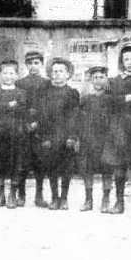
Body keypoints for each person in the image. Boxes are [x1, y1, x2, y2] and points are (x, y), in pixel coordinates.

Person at [102, 41, 131, 215]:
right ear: (122, 61)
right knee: (119, 166)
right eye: (126, 59)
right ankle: (119, 201)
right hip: (119, 127)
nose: (129, 62)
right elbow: (106, 101)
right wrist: (122, 99)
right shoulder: (114, 81)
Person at [39, 57, 80, 210]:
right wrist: (44, 137)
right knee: (52, 168)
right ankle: (54, 198)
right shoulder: (45, 93)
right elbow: (42, 116)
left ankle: (64, 198)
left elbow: (74, 116)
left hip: (65, 136)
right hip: (50, 136)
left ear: (68, 74)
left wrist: (72, 137)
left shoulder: (72, 93)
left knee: (66, 168)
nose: (56, 74)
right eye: (54, 71)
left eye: (60, 71)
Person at [0, 59, 26, 209]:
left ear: (17, 75)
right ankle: (0, 195)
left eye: (11, 73)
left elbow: (22, 109)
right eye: (5, 73)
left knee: (16, 164)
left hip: (16, 133)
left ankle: (12, 195)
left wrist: (3, 108)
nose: (8, 76)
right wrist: (9, 105)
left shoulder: (21, 93)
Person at [16, 49, 50, 207]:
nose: (33, 66)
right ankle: (21, 195)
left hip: (41, 128)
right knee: (22, 162)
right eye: (30, 63)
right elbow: (18, 106)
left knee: (40, 163)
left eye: (36, 63)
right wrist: (25, 124)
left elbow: (48, 107)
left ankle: (39, 196)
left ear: (41, 64)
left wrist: (38, 122)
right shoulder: (20, 83)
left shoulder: (47, 83)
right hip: (23, 127)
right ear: (26, 65)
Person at [77, 65, 113, 212]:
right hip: (88, 138)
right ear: (91, 80)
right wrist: (79, 138)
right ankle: (88, 199)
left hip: (106, 138)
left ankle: (106, 199)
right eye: (95, 77)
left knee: (107, 168)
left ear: (106, 79)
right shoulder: (85, 99)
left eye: (101, 77)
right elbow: (78, 119)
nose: (98, 81)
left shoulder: (111, 99)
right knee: (87, 169)